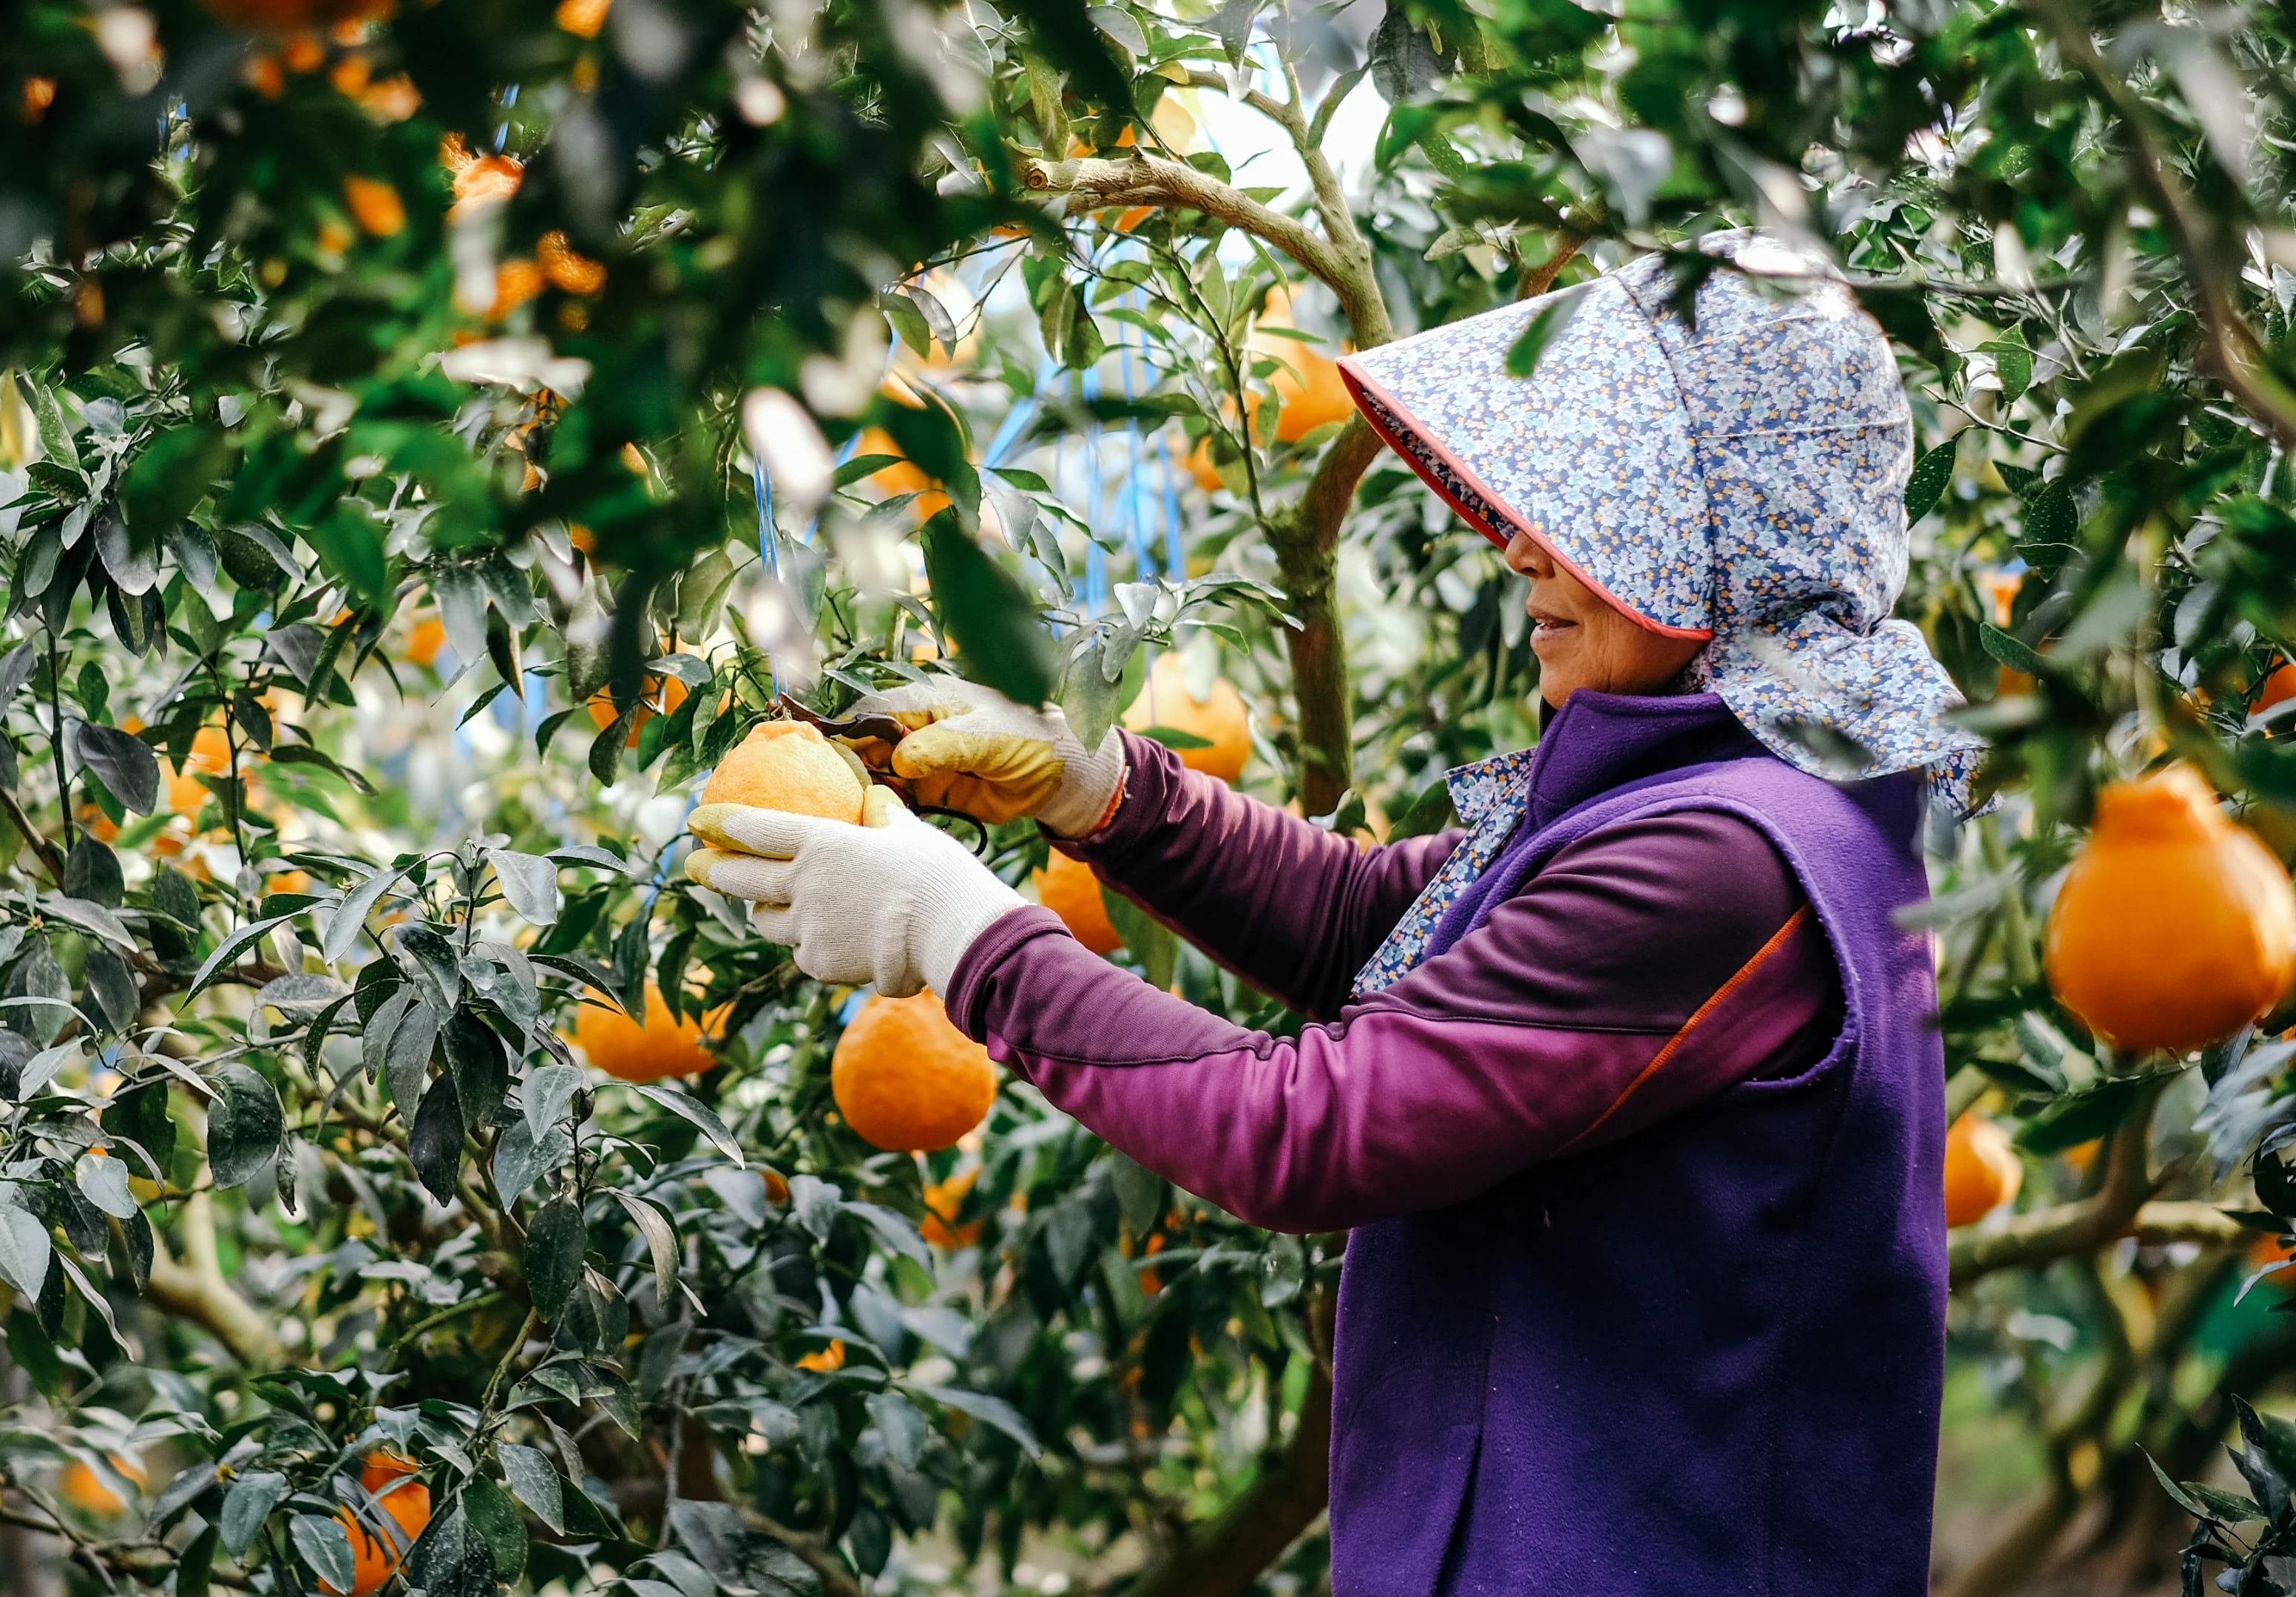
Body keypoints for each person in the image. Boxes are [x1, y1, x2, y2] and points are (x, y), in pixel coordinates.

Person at [685, 231, 1985, 1596]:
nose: (1520, 546)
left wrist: (963, 938)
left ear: (1720, 546)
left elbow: (1311, 1134)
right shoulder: (1733, 779)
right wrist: (1107, 792)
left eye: (1597, 513)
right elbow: (1397, 922)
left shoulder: (1730, 855)